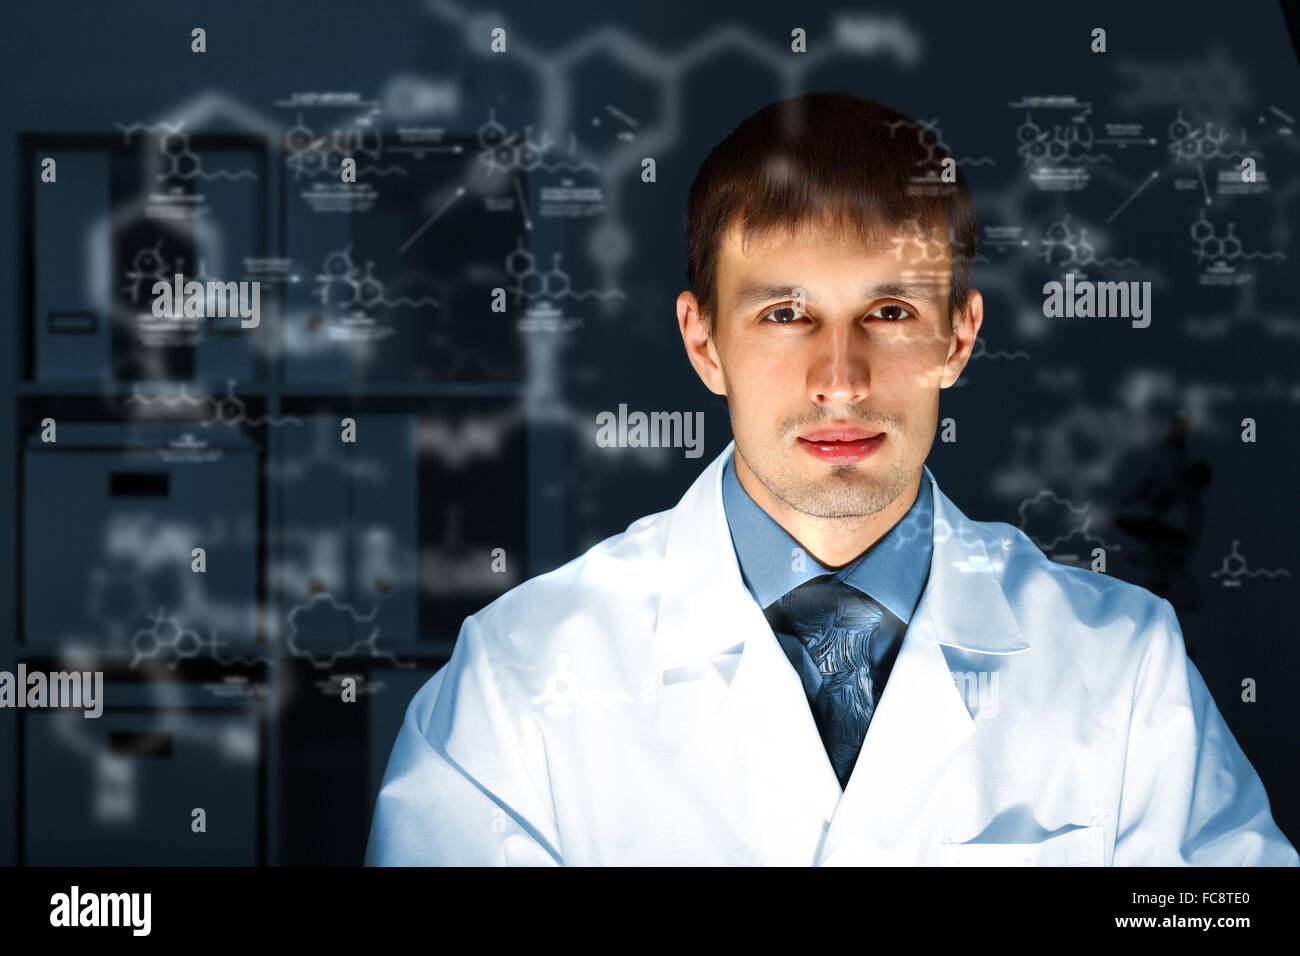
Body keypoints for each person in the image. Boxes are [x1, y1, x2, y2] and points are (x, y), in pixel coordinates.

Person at [365, 92, 1298, 866]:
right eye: (784, 314)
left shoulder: (1122, 667)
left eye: (889, 311)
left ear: (958, 338)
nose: (840, 380)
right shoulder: (519, 683)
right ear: (704, 342)